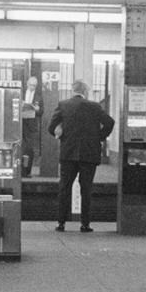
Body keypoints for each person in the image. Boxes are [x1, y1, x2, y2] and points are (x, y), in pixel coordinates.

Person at [49, 79, 116, 232]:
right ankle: (85, 224)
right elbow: (110, 123)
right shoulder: (95, 106)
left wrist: (61, 134)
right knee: (86, 189)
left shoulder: (63, 105)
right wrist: (98, 137)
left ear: (73, 90)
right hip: (89, 153)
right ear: (85, 92)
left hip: (68, 153)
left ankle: (61, 223)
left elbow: (51, 127)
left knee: (64, 187)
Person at [20, 73, 44, 177]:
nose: (31, 87)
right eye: (30, 84)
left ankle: (27, 171)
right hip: (21, 123)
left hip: (31, 125)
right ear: (27, 84)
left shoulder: (39, 97)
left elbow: (42, 112)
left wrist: (37, 109)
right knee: (19, 147)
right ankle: (19, 170)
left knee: (29, 149)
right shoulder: (20, 94)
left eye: (34, 85)